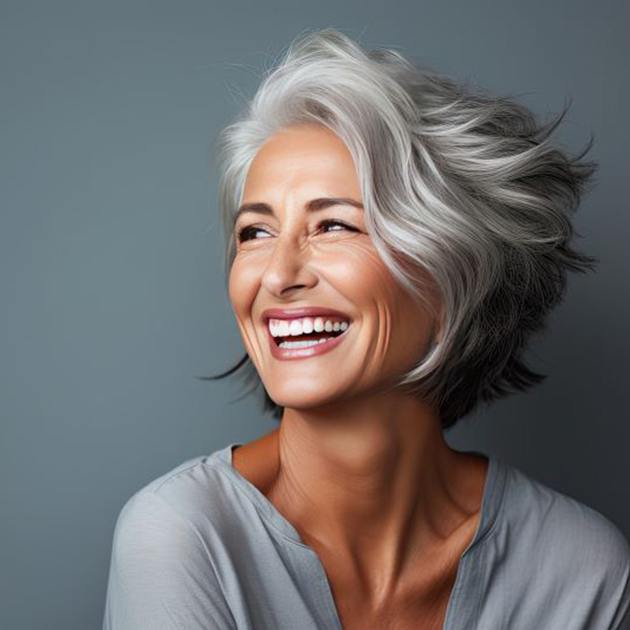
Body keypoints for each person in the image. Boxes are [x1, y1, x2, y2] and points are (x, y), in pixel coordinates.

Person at [102, 28, 630, 629]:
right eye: (255, 232)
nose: (277, 274)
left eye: (334, 226)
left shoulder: (581, 568)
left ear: (452, 268)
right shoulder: (183, 535)